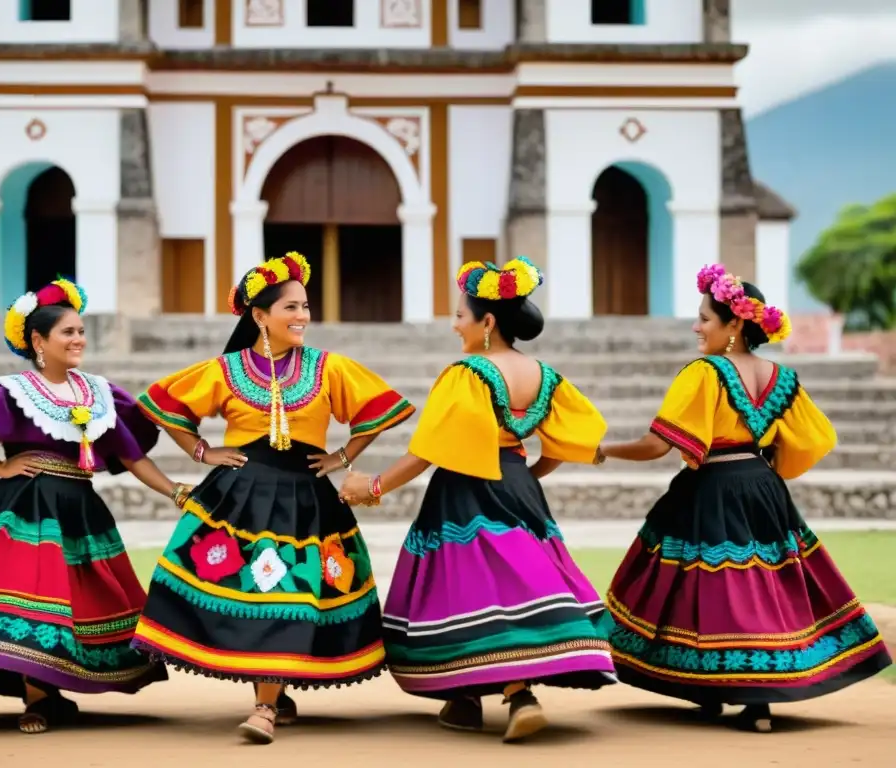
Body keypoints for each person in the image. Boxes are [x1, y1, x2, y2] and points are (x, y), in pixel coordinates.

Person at [131, 251, 416, 745]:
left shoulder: (330, 368)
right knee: (256, 595)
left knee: (291, 597)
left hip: (306, 499)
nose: (302, 316)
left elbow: (382, 407)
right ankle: (270, 699)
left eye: (305, 306)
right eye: (291, 307)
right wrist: (202, 451)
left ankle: (267, 702)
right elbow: (166, 404)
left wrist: (343, 456)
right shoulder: (227, 369)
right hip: (240, 496)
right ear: (260, 316)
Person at [596, 264, 893, 733]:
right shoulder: (781, 376)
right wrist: (771, 466)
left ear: (734, 324)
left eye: (705, 319)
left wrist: (604, 451)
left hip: (711, 487)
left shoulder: (704, 373)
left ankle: (729, 688)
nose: (697, 327)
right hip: (762, 486)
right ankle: (750, 699)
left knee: (713, 584)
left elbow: (658, 445)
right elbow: (816, 438)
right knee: (766, 581)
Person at [340, 257, 617, 743]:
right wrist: (524, 476)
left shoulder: (467, 373)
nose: (454, 325)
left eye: (461, 317)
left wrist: (374, 486)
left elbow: (427, 452)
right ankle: (466, 697)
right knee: (511, 581)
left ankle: (515, 693)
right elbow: (563, 443)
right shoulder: (543, 374)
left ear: (487, 322)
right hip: (517, 484)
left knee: (470, 586)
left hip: (465, 490)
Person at [0, 279, 188, 734]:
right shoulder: (13, 390)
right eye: (68, 333)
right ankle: (37, 697)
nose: (79, 340)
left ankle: (51, 692)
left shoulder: (99, 394)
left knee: (79, 598)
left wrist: (177, 491)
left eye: (81, 332)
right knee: (30, 596)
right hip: (25, 506)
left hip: (79, 508)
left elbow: (133, 456)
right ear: (38, 341)